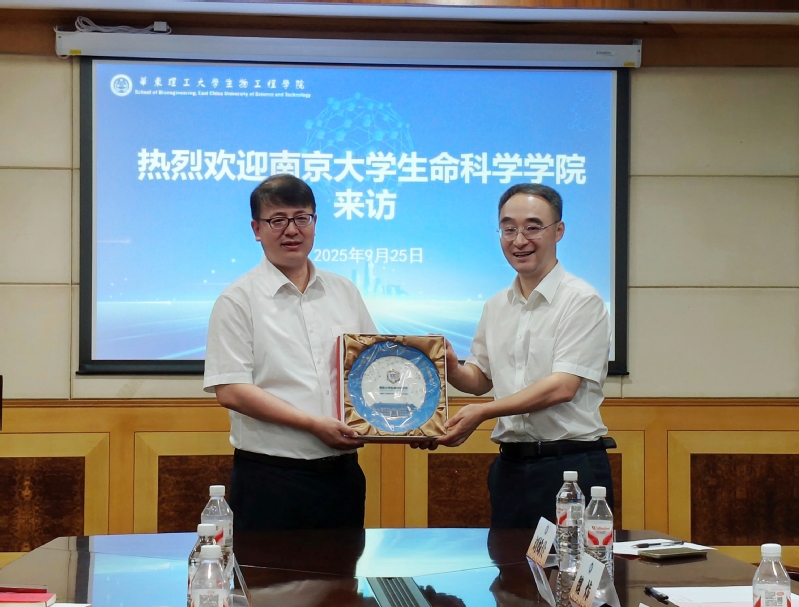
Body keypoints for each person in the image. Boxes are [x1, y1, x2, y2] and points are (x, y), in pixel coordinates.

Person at [203, 174, 376, 531]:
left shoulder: (344, 292)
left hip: (342, 475)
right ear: (256, 229)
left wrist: (409, 425)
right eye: (277, 220)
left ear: (315, 222)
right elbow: (231, 389)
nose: (292, 230)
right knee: (268, 570)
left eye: (301, 218)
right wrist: (312, 424)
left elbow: (372, 368)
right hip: (270, 478)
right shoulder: (238, 299)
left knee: (343, 567)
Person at [436, 183, 614, 528]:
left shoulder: (582, 300)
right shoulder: (496, 305)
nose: (519, 240)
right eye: (508, 229)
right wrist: (453, 367)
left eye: (533, 227)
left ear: (558, 231)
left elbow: (562, 387)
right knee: (508, 561)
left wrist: (483, 412)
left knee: (570, 563)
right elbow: (481, 379)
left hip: (569, 468)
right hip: (510, 468)